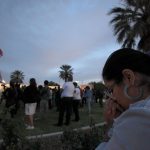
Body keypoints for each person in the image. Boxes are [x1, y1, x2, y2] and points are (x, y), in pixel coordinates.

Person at [96, 48, 150, 150]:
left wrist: (110, 124)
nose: (113, 98)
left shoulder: (140, 117)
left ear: (129, 77)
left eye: (111, 90)